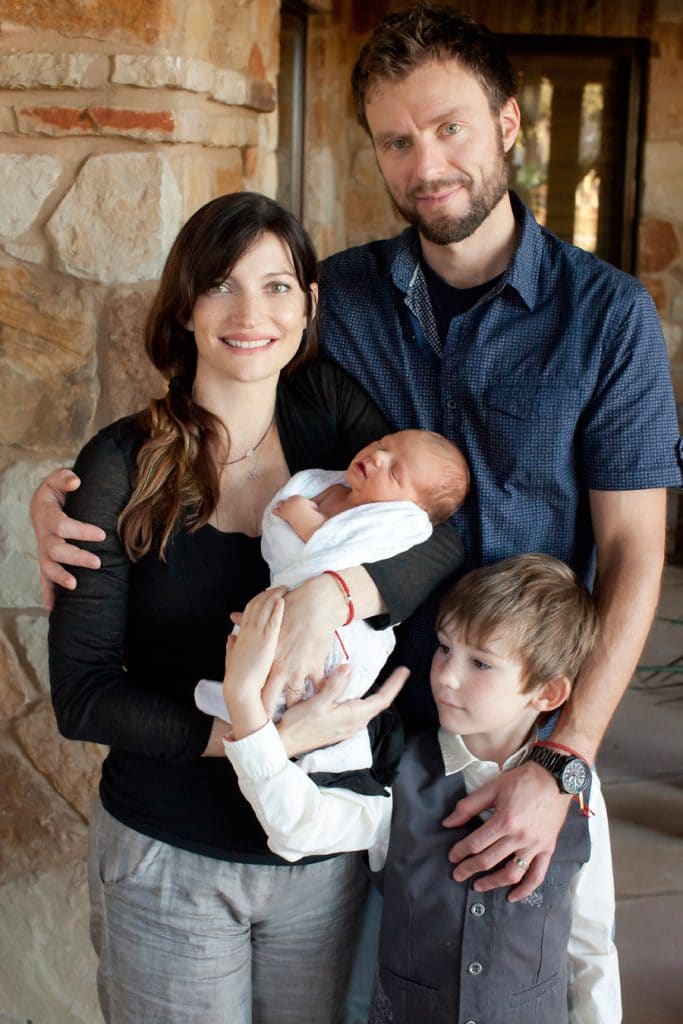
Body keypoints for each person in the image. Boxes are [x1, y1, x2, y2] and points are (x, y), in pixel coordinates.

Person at [33, 3, 682, 899]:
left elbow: (632, 555)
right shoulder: (337, 300)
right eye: (395, 142)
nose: (426, 165)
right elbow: (221, 406)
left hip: (508, 745)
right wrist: (81, 492)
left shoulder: (607, 318)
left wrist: (564, 759)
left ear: (506, 124)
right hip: (350, 736)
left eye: (449, 128)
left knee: (537, 984)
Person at [47, 191, 463, 1024]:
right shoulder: (119, 465)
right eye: (222, 286)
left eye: (276, 287)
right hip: (170, 856)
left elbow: (435, 537)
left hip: (317, 861)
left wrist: (328, 595)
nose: (251, 313)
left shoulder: (330, 418)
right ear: (185, 306)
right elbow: (84, 695)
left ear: (308, 304)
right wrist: (256, 740)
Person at [218, 555, 621, 1024]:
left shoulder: (577, 792)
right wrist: (248, 716)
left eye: (481, 664)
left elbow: (591, 946)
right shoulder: (398, 769)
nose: (446, 675)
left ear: (547, 694)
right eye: (445, 648)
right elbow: (298, 830)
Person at [195, 428, 469, 777]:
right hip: (287, 587)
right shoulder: (329, 486)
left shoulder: (395, 523)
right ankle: (255, 712)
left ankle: (279, 719)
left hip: (348, 629)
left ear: (410, 507)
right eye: (382, 444)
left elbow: (333, 547)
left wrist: (300, 516)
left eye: (395, 473)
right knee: (259, 643)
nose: (378, 457)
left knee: (310, 663)